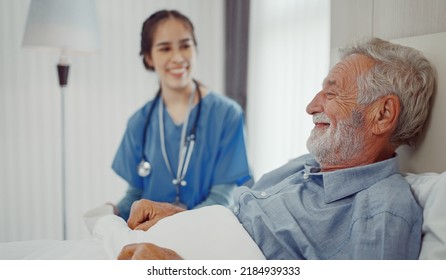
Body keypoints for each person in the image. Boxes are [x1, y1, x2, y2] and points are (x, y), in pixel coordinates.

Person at [117, 37, 436, 260]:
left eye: (332, 93)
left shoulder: (382, 211)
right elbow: (238, 222)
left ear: (382, 115)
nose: (311, 106)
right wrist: (180, 216)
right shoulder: (304, 166)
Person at [110, 10, 252, 220]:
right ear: (149, 58)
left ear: (195, 49)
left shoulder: (226, 115)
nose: (177, 57)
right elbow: (135, 194)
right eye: (165, 48)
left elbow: (223, 197)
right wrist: (112, 212)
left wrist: (176, 224)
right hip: (150, 235)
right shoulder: (139, 123)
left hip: (206, 231)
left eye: (185, 46)